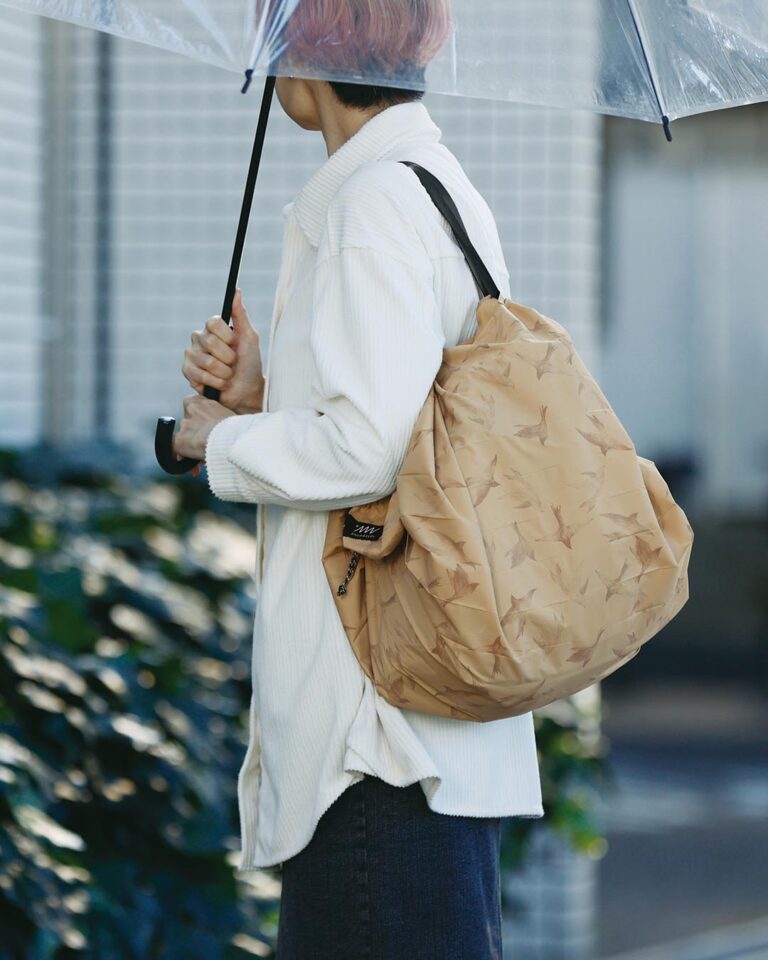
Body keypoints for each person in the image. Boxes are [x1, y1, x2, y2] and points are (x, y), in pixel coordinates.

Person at [173, 2, 544, 956]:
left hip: (375, 753)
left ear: (313, 46)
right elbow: (402, 426)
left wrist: (213, 441)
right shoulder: (430, 184)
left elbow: (364, 448)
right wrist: (264, 399)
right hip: (422, 735)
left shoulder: (371, 203)